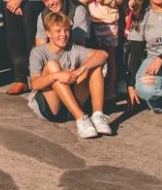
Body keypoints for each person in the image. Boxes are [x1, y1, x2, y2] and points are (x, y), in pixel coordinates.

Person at [27, 11, 111, 139]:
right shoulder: (38, 52)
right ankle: (81, 118)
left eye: (66, 30)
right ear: (48, 34)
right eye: (58, 31)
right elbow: (35, 84)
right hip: (51, 107)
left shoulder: (73, 49)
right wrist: (56, 76)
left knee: (95, 65)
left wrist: (81, 69)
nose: (63, 34)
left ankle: (97, 115)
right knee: (52, 65)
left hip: (72, 104)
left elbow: (103, 55)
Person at [75, 0, 122, 100]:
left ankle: (110, 88)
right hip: (93, 25)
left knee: (111, 56)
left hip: (110, 24)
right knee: (97, 57)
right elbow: (80, 0)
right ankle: (96, 88)